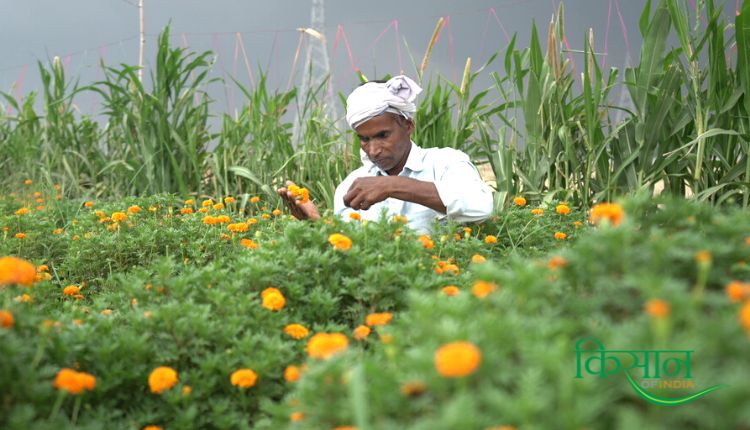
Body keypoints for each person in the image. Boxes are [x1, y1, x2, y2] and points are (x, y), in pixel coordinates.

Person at [278, 75, 493, 233]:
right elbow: (349, 255)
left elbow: (480, 207)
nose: (373, 150)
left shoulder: (445, 163)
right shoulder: (352, 186)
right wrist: (316, 225)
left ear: (408, 125)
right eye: (364, 139)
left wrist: (392, 186)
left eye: (383, 135)